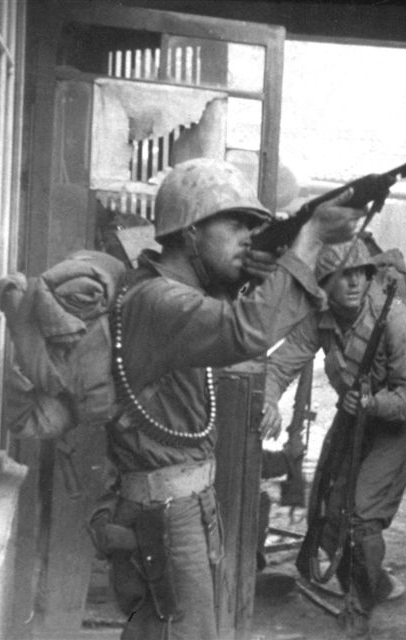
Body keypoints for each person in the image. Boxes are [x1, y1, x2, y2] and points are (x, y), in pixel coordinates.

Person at [95, 157, 365, 640]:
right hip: (166, 515)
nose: (248, 236)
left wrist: (254, 276)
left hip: (184, 505)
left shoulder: (182, 293)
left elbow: (231, 316)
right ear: (191, 232)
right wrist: (310, 238)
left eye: (253, 226)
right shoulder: (160, 301)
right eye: (236, 223)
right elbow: (246, 330)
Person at [260, 237, 406, 638]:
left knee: (361, 516)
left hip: (397, 420)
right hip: (355, 412)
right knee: (326, 504)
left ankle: (358, 612)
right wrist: (268, 401)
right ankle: (369, 581)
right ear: (325, 284)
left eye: (360, 273)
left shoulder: (395, 320)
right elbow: (281, 364)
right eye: (343, 276)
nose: (354, 284)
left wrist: (372, 404)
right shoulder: (321, 318)